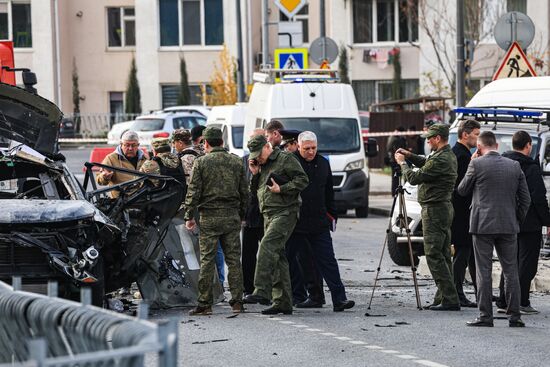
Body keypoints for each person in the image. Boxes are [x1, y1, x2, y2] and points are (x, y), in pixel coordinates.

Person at [457, 131, 530, 327]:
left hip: (482, 225)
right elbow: (526, 199)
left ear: (479, 148)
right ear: (496, 145)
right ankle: (515, 317)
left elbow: (462, 190)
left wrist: (472, 163)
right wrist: (516, 219)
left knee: (483, 271)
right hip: (508, 225)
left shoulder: (476, 164)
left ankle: (485, 316)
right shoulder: (514, 166)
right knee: (511, 271)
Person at [286, 131, 355, 312]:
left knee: (328, 261)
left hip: (319, 221)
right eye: (307, 148)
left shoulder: (323, 163)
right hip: (297, 223)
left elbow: (329, 192)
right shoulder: (289, 162)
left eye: (314, 148)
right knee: (302, 261)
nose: (311, 152)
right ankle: (312, 296)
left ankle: (339, 299)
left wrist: (332, 215)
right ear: (298, 146)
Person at [184, 127, 249, 316]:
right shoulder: (236, 161)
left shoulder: (201, 162)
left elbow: (193, 191)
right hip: (231, 216)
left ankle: (205, 303)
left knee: (207, 261)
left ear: (206, 143)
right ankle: (237, 301)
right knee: (234, 261)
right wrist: (242, 215)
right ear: (221, 141)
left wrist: (189, 215)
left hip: (209, 217)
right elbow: (244, 191)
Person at [395, 124, 460, 311]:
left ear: (438, 138)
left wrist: (402, 163)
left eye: (430, 138)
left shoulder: (442, 159)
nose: (428, 141)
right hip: (440, 208)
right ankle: (444, 296)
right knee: (444, 254)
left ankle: (449, 298)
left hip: (435, 210)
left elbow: (414, 178)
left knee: (433, 254)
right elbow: (425, 163)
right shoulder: (443, 155)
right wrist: (409, 155)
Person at [243, 134, 309, 315]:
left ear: (267, 147)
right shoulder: (261, 165)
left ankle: (262, 291)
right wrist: (255, 174)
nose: (258, 158)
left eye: (259, 153)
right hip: (268, 214)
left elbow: (303, 180)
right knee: (278, 257)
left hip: (285, 212)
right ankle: (283, 302)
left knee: (267, 246)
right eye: (254, 155)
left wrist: (283, 188)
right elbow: (255, 190)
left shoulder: (285, 158)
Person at [496, 131, 550, 315]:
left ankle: (504, 300)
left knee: (508, 263)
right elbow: (538, 198)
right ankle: (521, 301)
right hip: (529, 223)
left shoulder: (502, 164)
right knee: (526, 265)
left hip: (506, 220)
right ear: (528, 145)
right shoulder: (531, 168)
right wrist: (547, 220)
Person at [451, 119, 480, 308]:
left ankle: (481, 292)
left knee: (470, 255)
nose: (478, 139)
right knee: (462, 253)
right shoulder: (461, 156)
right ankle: (457, 293)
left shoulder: (464, 154)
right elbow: (462, 188)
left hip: (464, 212)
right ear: (465, 134)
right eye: (476, 135)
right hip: (462, 213)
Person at [241, 128, 265, 296]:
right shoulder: (243, 162)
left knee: (268, 255)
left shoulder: (271, 161)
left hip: (265, 216)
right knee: (248, 256)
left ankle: (266, 288)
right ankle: (248, 288)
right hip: (248, 216)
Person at [96, 130, 147, 198]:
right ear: (121, 144)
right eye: (127, 145)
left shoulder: (145, 158)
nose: (130, 148)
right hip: (121, 202)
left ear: (138, 145)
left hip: (143, 199)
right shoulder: (111, 158)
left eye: (133, 145)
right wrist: (104, 177)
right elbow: (99, 181)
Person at [386, 126, 407, 194]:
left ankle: (395, 191)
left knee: (397, 177)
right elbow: (389, 148)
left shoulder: (395, 137)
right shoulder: (394, 138)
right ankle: (395, 191)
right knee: (395, 176)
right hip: (395, 160)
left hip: (395, 159)